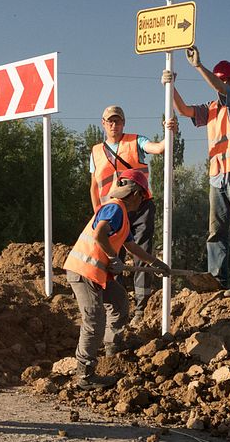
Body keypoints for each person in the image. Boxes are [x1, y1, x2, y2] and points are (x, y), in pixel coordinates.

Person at [64, 168, 172, 390]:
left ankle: (113, 346)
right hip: (84, 272)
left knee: (120, 303)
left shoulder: (121, 214)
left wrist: (156, 263)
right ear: (135, 193)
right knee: (94, 321)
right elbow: (99, 234)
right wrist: (114, 258)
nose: (142, 202)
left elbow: (132, 247)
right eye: (143, 197)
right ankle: (85, 375)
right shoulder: (115, 208)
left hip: (97, 274)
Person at [167, 46, 230, 297]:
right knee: (216, 231)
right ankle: (218, 279)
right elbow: (184, 111)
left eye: (228, 79)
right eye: (223, 78)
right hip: (218, 177)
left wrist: (198, 66)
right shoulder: (211, 108)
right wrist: (170, 87)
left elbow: (221, 89)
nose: (225, 82)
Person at [88, 105, 167, 327]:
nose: (114, 125)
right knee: (114, 257)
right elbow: (94, 186)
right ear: (103, 123)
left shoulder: (136, 141)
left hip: (140, 206)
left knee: (141, 251)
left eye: (118, 121)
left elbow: (158, 148)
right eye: (110, 121)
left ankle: (141, 307)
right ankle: (118, 306)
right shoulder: (95, 151)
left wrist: (169, 132)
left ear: (124, 123)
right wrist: (97, 214)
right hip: (112, 210)